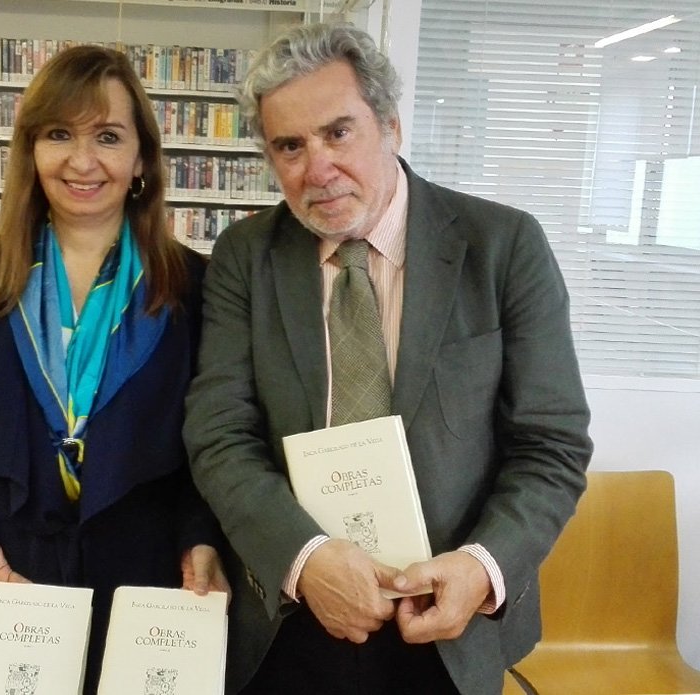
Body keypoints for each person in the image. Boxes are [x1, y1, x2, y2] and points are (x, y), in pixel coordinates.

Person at [183, 22, 593, 695]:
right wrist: (306, 557)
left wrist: (482, 565)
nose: (318, 169)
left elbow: (551, 443)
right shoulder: (244, 257)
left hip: (448, 621)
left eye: (338, 132)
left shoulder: (502, 247)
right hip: (291, 613)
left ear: (391, 126)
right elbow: (219, 433)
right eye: (290, 146)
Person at [0, 44, 228, 695]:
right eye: (60, 134)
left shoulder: (194, 288)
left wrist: (201, 536)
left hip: (144, 597)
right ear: (31, 150)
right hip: (0, 588)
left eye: (108, 136)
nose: (82, 160)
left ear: (142, 158)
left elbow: (215, 448)